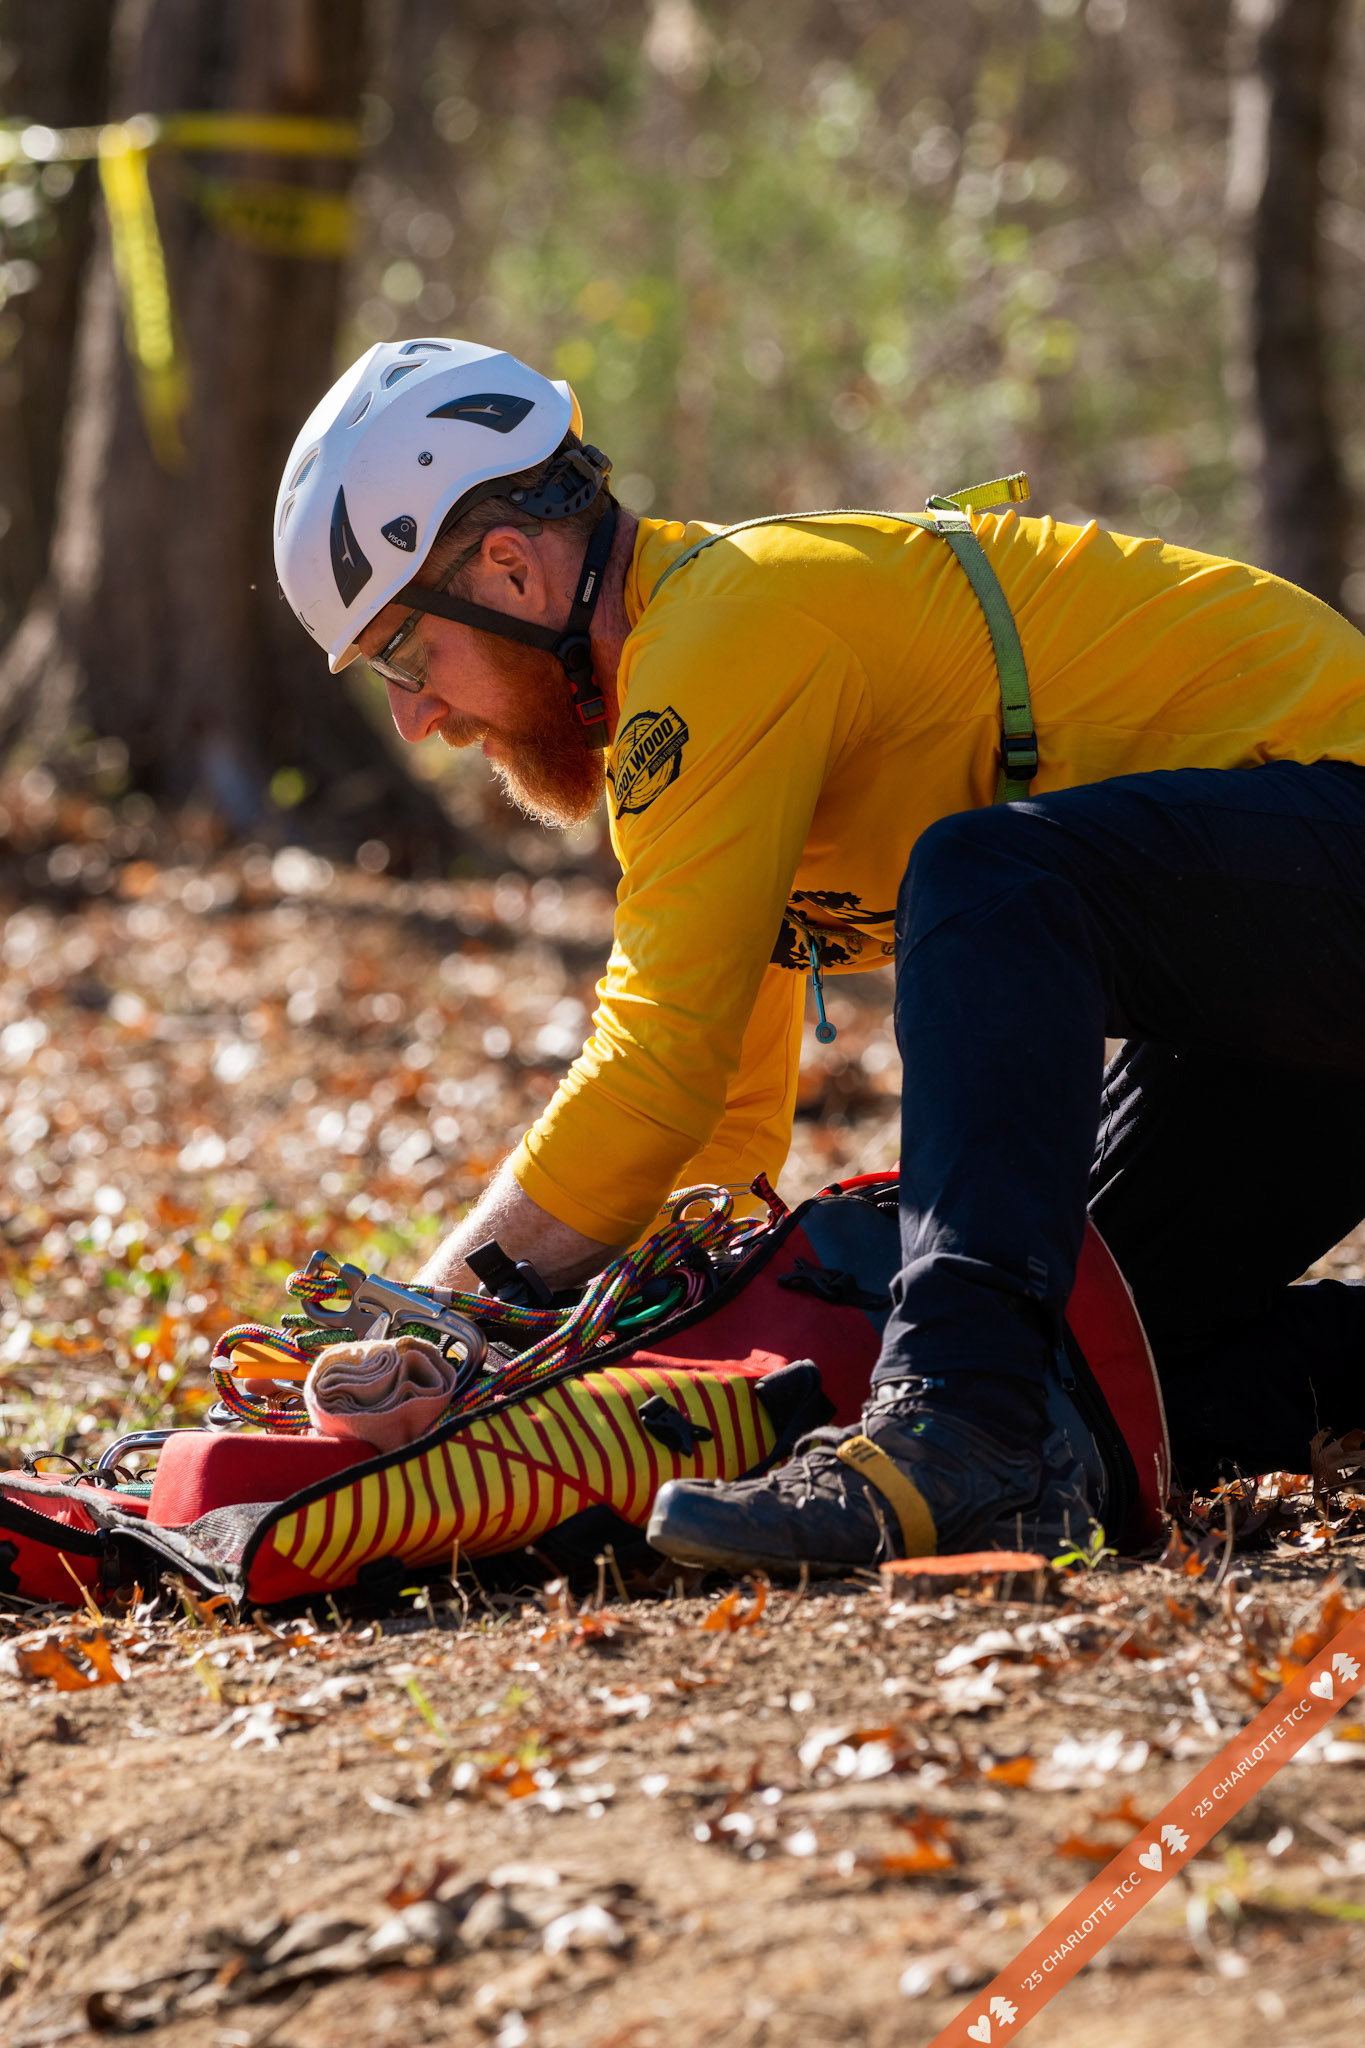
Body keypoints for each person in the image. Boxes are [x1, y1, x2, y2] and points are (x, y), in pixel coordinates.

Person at [275, 336, 1365, 1576]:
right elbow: (716, 1140)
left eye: (406, 656)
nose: (416, 717)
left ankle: (961, 1438)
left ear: (514, 568)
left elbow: (650, 1071)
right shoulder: (693, 701)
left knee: (989, 875)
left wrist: (435, 1321)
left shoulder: (723, 635)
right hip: (1281, 993)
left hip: (1338, 843)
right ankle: (1011, 1422)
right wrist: (541, 1394)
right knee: (1095, 1363)